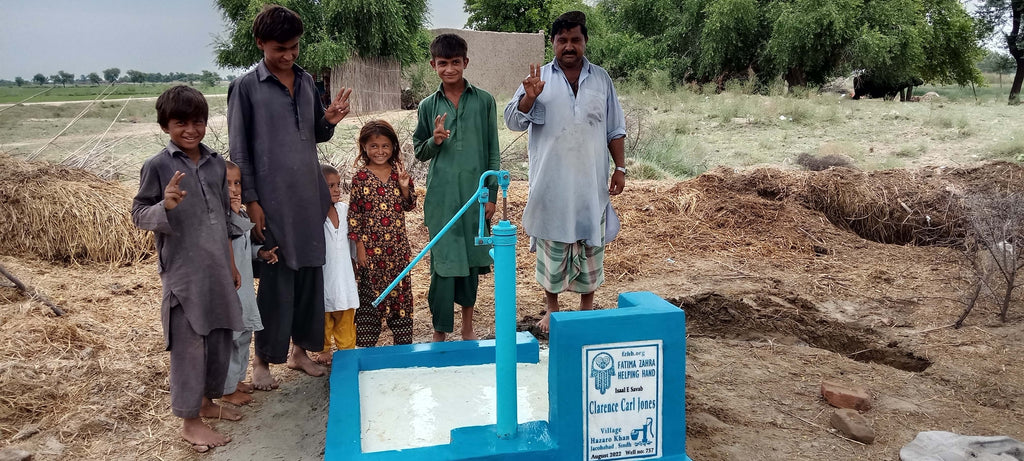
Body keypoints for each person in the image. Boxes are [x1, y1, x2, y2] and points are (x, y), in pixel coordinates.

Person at [227, 3, 353, 389]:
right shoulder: (246, 87)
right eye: (279, 48)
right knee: (278, 278)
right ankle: (263, 360)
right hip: (271, 199)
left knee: (309, 277)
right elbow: (239, 149)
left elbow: (312, 133)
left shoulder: (305, 80)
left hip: (308, 196)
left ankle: (300, 351)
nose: (288, 55)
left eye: (294, 47)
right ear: (261, 43)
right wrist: (251, 200)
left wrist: (328, 120)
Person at [131, 85, 244, 451]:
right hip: (184, 273)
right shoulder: (158, 166)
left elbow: (225, 217)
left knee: (218, 337)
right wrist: (164, 205)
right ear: (165, 125)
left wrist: (230, 264)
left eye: (198, 122)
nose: (191, 130)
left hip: (217, 267)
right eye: (181, 123)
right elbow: (138, 214)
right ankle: (189, 421)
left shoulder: (214, 163)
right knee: (190, 344)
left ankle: (207, 403)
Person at [503, 11, 627, 333]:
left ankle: (587, 307)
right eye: (562, 40)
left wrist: (621, 169)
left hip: (591, 183)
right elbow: (512, 121)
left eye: (575, 40)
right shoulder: (538, 79)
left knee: (590, 247)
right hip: (550, 183)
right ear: (554, 44)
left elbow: (615, 129)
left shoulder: (601, 80)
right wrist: (529, 99)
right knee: (551, 249)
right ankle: (551, 309)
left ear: (584, 42)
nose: (569, 46)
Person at [413, 33, 500, 342]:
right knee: (444, 264)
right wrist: (434, 141)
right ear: (433, 65)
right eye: (442, 64)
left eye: (454, 63)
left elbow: (492, 150)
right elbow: (419, 151)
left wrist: (490, 194)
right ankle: (439, 331)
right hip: (442, 197)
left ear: (465, 62)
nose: (449, 69)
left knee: (471, 264)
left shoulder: (485, 101)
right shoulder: (427, 105)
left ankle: (467, 326)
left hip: (475, 196)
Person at [348, 120, 417, 346]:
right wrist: (359, 248)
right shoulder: (361, 177)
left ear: (393, 147)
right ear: (364, 147)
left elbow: (410, 205)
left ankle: (403, 348)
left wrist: (405, 187)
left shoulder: (399, 174)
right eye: (374, 146)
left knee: (400, 296)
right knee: (370, 298)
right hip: (371, 251)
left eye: (385, 146)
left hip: (397, 250)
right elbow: (355, 215)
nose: (380, 151)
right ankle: (366, 349)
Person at [220, 161, 279, 406]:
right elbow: (228, 243)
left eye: (238, 184)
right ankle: (225, 387)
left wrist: (261, 254)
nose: (234, 190)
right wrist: (233, 213)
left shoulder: (241, 215)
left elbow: (243, 248)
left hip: (244, 290)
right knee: (231, 339)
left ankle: (235, 380)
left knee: (244, 335)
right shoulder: (222, 219)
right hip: (230, 290)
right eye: (227, 184)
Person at [312, 163, 359, 365]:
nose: (337, 189)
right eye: (331, 186)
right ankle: (323, 349)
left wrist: (356, 263)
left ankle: (346, 348)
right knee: (324, 313)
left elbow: (352, 241)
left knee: (346, 313)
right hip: (324, 275)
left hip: (345, 275)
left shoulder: (345, 210)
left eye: (338, 185)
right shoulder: (313, 215)